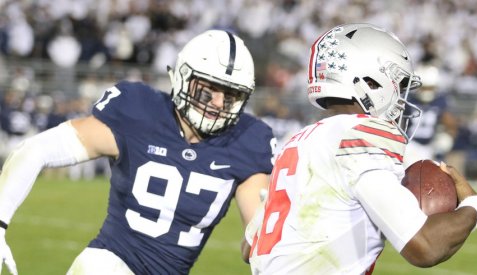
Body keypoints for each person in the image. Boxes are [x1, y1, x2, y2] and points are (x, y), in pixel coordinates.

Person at [0, 29, 276, 275]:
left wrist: (268, 230)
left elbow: (254, 246)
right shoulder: (139, 110)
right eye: (208, 91)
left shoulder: (247, 139)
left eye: (230, 96)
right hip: (109, 263)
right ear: (183, 77)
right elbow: (37, 149)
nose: (218, 104)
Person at [243, 23, 477, 274]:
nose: (402, 97)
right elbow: (427, 247)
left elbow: (248, 247)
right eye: (399, 84)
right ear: (370, 81)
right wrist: (474, 207)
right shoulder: (362, 137)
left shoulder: (298, 140)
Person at [403, 63, 458, 168]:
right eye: (425, 87)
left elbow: (450, 124)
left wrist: (448, 137)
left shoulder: (440, 101)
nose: (427, 91)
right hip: (410, 144)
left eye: (430, 87)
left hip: (429, 146)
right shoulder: (408, 99)